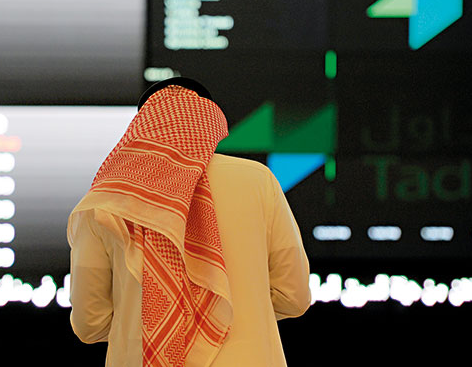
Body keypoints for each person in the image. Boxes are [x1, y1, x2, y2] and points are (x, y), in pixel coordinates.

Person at [67, 77, 311, 367]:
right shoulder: (258, 181)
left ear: (142, 128)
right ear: (209, 123)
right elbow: (294, 297)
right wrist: (238, 313)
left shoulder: (105, 199)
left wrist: (149, 326)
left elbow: (89, 323)